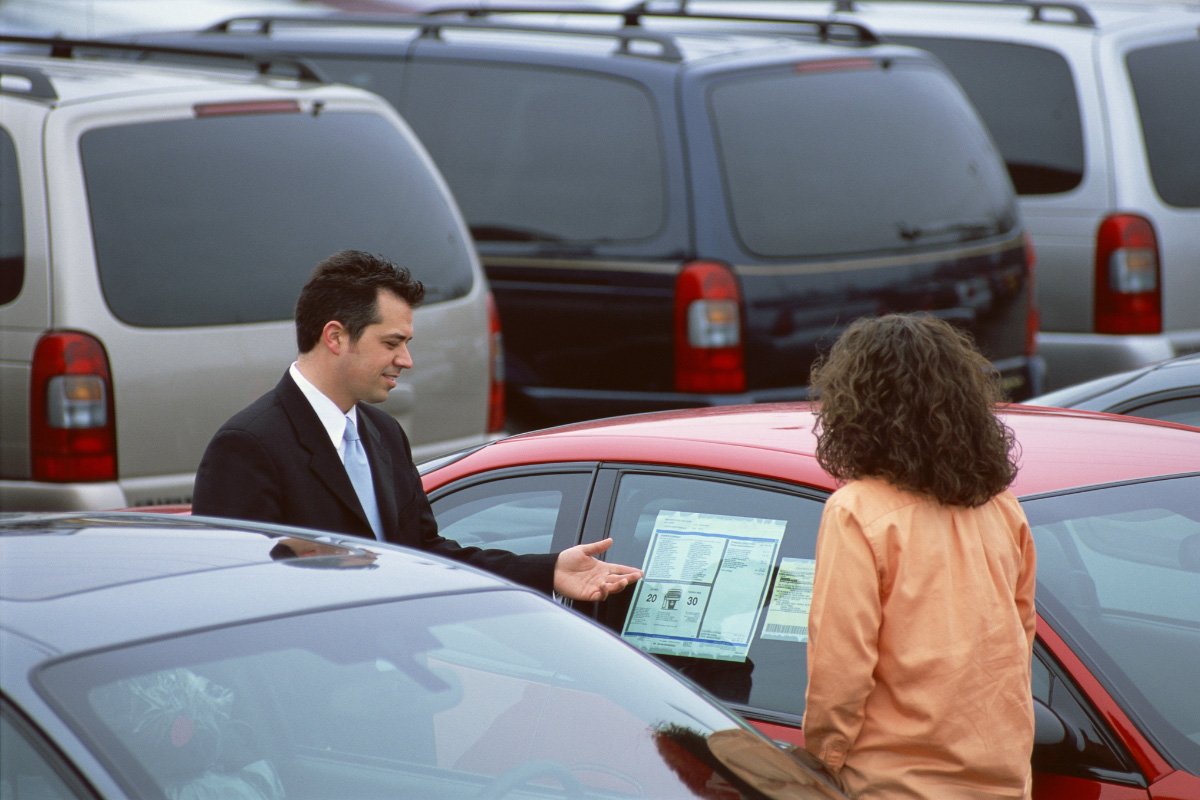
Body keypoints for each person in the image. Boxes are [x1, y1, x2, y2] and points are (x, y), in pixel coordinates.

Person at [193, 250, 642, 602]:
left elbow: (422, 555)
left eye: (406, 343)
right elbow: (233, 596)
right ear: (335, 337)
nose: (406, 361)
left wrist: (548, 570)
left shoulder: (383, 434)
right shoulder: (248, 447)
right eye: (392, 343)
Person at [801, 314, 1036, 799]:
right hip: (1003, 779)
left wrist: (821, 763)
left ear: (857, 407)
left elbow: (840, 672)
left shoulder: (856, 512)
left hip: (896, 785)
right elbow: (1018, 638)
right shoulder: (1000, 505)